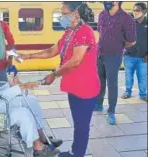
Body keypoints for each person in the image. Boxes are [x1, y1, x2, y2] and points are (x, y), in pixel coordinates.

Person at [19, 2, 100, 157]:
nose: (61, 17)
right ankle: (74, 152)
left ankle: (77, 154)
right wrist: (28, 56)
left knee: (82, 126)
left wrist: (54, 74)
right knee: (78, 124)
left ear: (75, 14)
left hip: (85, 87)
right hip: (74, 86)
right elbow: (52, 51)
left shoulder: (85, 32)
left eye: (64, 13)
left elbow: (76, 61)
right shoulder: (70, 32)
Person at [0, 47, 63, 156]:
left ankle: (41, 136)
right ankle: (38, 148)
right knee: (23, 113)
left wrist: (10, 85)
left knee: (31, 100)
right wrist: (19, 88)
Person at [95, 1, 137, 125]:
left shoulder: (126, 18)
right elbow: (100, 32)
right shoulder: (102, 14)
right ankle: (98, 104)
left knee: (111, 83)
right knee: (100, 80)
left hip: (114, 55)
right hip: (100, 53)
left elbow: (132, 41)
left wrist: (119, 47)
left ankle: (111, 112)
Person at [121, 2, 147, 102]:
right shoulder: (129, 23)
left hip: (143, 57)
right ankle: (127, 92)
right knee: (128, 76)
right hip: (129, 56)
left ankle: (143, 94)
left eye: (138, 10)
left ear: (144, 11)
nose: (135, 12)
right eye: (134, 10)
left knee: (143, 77)